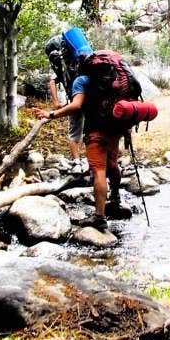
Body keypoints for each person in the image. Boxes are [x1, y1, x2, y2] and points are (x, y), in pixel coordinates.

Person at [37, 58, 122, 233]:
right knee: (113, 164)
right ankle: (116, 198)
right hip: (115, 128)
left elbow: (76, 106)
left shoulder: (81, 80)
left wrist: (51, 114)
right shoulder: (114, 77)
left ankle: (99, 217)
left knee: (99, 170)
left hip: (95, 131)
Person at [45, 36, 87, 175]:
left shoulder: (60, 63)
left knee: (74, 134)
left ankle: (77, 162)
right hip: (92, 99)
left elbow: (52, 82)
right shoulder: (80, 58)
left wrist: (56, 103)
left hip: (75, 100)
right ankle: (95, 159)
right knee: (92, 131)